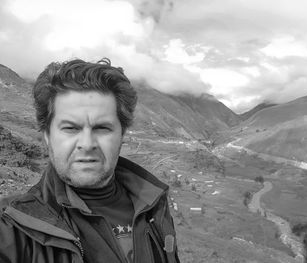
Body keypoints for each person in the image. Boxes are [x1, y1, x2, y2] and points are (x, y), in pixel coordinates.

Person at [0, 58, 180, 263]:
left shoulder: (153, 208)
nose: (87, 144)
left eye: (102, 128)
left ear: (122, 135)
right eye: (70, 128)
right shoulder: (11, 226)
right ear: (47, 136)